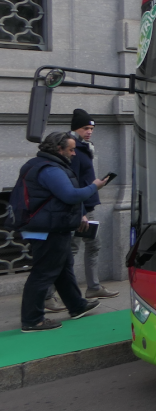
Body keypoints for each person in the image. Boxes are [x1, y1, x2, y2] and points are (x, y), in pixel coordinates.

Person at [20, 131, 109, 332]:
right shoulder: (50, 169)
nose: (74, 153)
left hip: (51, 226)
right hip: (47, 229)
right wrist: (94, 187)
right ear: (58, 149)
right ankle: (32, 319)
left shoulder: (43, 165)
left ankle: (77, 305)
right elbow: (69, 195)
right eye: (70, 149)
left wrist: (80, 214)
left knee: (63, 267)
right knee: (44, 272)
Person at [49, 110, 118, 304]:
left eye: (92, 128)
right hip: (79, 208)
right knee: (70, 250)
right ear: (75, 128)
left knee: (92, 245)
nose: (89, 132)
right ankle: (49, 294)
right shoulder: (74, 149)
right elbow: (73, 183)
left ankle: (94, 287)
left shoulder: (85, 147)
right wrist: (80, 212)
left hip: (87, 206)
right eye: (85, 128)